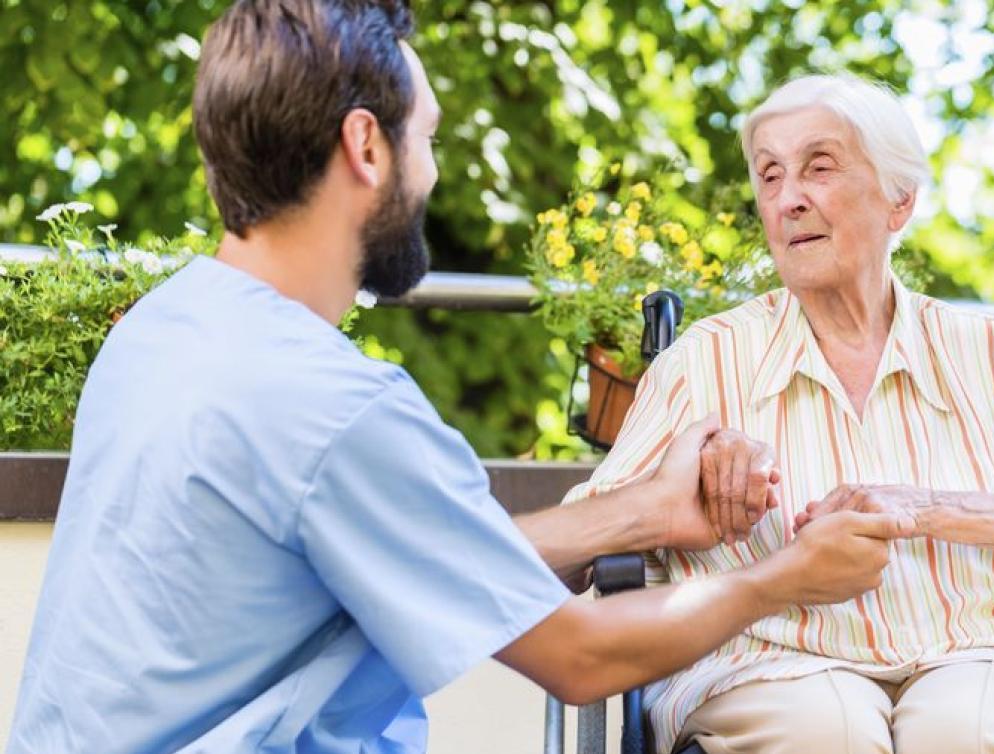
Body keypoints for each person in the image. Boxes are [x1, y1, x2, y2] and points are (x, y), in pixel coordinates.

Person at [5, 5, 916, 754]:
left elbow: (429, 558)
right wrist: (787, 575)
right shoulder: (338, 410)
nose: (433, 170)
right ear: (367, 146)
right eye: (427, 137)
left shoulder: (166, 329)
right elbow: (581, 658)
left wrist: (639, 514)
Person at [567, 73, 994, 754]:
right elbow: (574, 556)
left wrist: (926, 508)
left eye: (818, 168)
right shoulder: (705, 363)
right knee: (822, 726)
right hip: (772, 667)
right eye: (769, 176)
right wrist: (676, 488)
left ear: (899, 200)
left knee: (962, 723)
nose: (788, 199)